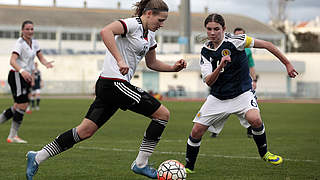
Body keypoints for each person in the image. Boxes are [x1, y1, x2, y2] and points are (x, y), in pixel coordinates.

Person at [26, 0, 186, 179]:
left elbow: (152, 63)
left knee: (85, 131)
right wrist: (119, 60)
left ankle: (38, 156)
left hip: (111, 86)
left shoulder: (150, 36)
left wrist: (173, 68)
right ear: (149, 14)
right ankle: (141, 164)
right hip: (113, 83)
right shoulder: (133, 24)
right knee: (162, 115)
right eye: (160, 20)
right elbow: (106, 31)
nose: (162, 24)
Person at [184, 13, 298, 173]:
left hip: (242, 94)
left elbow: (267, 44)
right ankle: (188, 168)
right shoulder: (205, 52)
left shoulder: (237, 41)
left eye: (216, 29)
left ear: (223, 29)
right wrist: (220, 66)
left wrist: (287, 63)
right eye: (209, 29)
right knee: (196, 131)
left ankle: (265, 153)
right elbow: (209, 81)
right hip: (218, 97)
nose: (212, 32)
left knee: (255, 119)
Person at [0, 20, 53, 143]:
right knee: (22, 105)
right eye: (27, 29)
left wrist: (45, 63)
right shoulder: (19, 43)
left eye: (32, 29)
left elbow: (40, 56)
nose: (30, 31)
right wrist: (22, 71)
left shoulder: (34, 42)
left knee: (18, 106)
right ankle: (12, 136)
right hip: (17, 75)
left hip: (27, 77)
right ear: (22, 30)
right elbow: (12, 61)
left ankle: (13, 136)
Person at [209, 27, 258, 138]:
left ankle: (250, 129)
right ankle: (215, 130)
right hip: (223, 84)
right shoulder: (227, 46)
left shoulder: (248, 50)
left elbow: (251, 66)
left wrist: (254, 80)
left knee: (249, 111)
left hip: (242, 85)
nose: (239, 37)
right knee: (218, 109)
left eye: (242, 35)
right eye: (237, 35)